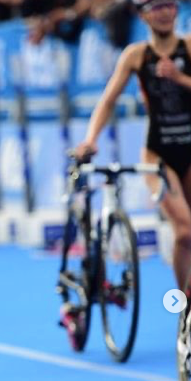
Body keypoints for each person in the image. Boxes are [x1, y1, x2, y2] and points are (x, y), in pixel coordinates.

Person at [75, 0, 191, 293]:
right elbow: (108, 100)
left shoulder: (188, 47)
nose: (165, 12)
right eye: (157, 7)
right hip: (158, 155)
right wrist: (91, 139)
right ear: (143, 15)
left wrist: (180, 78)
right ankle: (185, 308)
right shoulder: (136, 55)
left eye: (170, 5)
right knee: (185, 232)